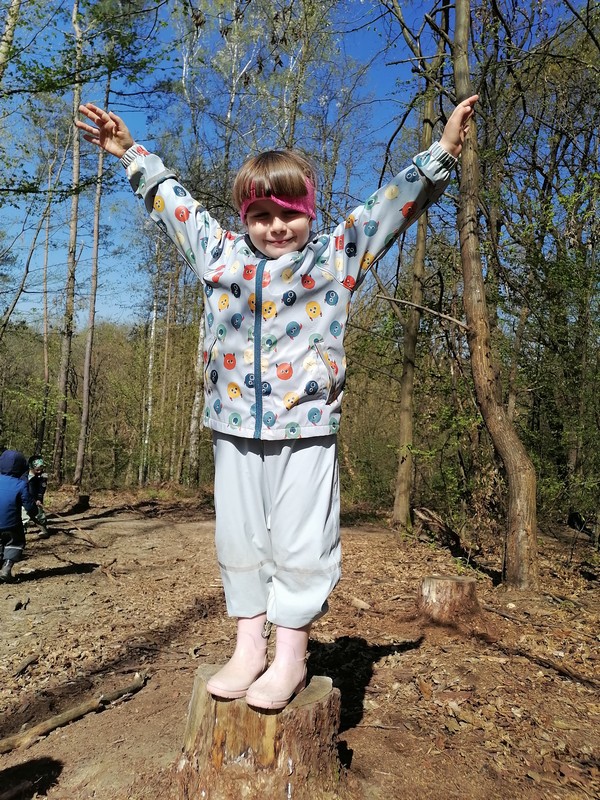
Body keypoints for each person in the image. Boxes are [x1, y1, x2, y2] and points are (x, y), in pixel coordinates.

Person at [76, 93, 478, 709]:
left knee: (300, 542)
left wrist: (442, 153)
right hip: (234, 422)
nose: (275, 226)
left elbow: (388, 208)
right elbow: (176, 205)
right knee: (239, 539)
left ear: (308, 212)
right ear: (245, 217)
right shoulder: (220, 256)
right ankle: (249, 648)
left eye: (288, 213)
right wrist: (130, 152)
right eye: (261, 215)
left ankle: (290, 654)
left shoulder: (333, 259)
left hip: (306, 425)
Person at [0, 450, 40, 582]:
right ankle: (7, 567)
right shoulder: (21, 484)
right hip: (11, 524)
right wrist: (35, 512)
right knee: (16, 541)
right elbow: (29, 505)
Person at [21, 456, 50, 539]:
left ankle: (44, 530)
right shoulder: (24, 476)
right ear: (31, 467)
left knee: (39, 515)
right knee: (24, 515)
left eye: (41, 468)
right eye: (37, 469)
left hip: (36, 499)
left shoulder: (42, 477)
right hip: (25, 499)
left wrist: (39, 499)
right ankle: (22, 531)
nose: (39, 471)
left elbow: (42, 488)